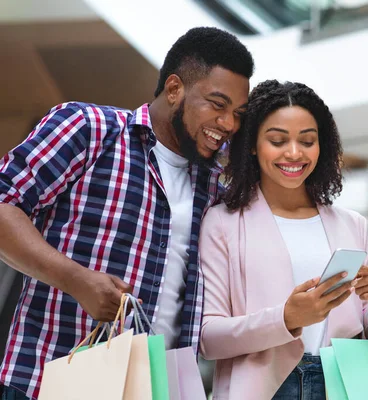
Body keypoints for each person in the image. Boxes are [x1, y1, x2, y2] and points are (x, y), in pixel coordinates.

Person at [0, 27, 253, 400]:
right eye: (217, 104)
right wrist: (77, 279)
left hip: (156, 390)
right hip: (51, 383)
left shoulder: (217, 187)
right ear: (174, 88)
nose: (229, 124)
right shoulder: (89, 129)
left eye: (237, 113)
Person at [199, 80, 368, 399]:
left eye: (307, 141)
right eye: (277, 140)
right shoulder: (222, 223)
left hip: (339, 385)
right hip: (263, 388)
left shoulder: (352, 225)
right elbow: (208, 338)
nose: (294, 153)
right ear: (252, 144)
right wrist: (286, 318)